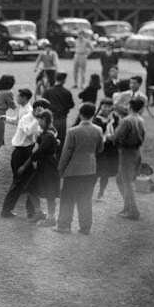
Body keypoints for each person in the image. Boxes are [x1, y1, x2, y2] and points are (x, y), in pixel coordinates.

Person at [55, 102, 104, 235]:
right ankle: (85, 227)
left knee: (68, 198)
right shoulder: (98, 130)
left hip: (73, 170)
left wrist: (61, 169)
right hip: (90, 169)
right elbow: (100, 149)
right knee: (85, 199)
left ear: (80, 113)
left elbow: (66, 153)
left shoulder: (73, 131)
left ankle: (64, 225)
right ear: (93, 114)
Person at [0, 93, 47, 219]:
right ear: (38, 109)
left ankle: (31, 212)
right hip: (21, 153)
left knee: (30, 183)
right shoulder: (28, 118)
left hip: (27, 151)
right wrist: (37, 119)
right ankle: (6, 210)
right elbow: (29, 132)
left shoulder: (36, 120)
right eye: (44, 111)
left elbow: (38, 135)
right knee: (19, 183)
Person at [110, 98, 146, 220]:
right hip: (136, 151)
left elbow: (116, 136)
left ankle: (133, 211)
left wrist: (106, 136)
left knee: (126, 181)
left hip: (127, 152)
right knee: (120, 180)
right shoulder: (140, 119)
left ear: (130, 106)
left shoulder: (126, 120)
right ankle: (127, 207)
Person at [29, 110, 61, 225]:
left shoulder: (49, 134)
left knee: (50, 193)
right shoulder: (48, 131)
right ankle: (39, 213)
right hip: (43, 166)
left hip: (49, 167)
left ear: (44, 120)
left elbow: (40, 150)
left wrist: (28, 161)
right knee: (31, 187)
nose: (39, 123)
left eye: (40, 120)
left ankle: (51, 219)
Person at [92, 99, 118, 201]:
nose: (107, 109)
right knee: (96, 172)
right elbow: (97, 132)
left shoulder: (114, 117)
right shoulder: (96, 119)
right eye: (104, 106)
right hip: (100, 149)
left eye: (109, 106)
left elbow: (118, 128)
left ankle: (101, 191)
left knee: (106, 173)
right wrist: (106, 123)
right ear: (100, 106)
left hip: (110, 149)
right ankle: (90, 192)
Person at [44, 72, 75, 151]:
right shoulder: (67, 92)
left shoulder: (48, 91)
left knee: (50, 137)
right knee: (61, 139)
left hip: (51, 118)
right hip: (62, 118)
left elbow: (43, 103)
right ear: (64, 80)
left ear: (55, 79)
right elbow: (71, 105)